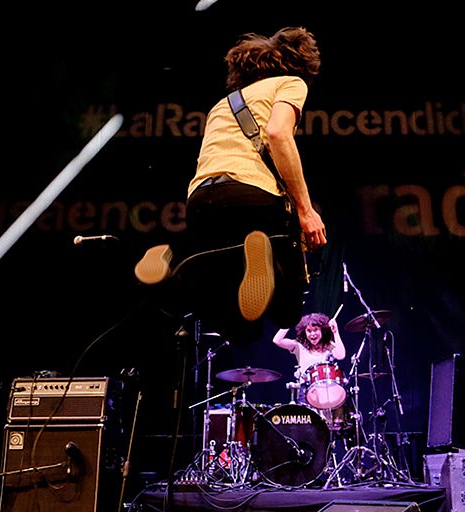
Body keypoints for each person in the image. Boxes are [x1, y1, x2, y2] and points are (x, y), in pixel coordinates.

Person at [134, 27, 327, 342]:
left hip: (202, 199)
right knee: (287, 310)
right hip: (253, 194)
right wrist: (305, 211)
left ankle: (175, 267)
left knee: (227, 321)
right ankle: (263, 257)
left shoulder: (222, 105)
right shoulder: (290, 83)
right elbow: (278, 133)